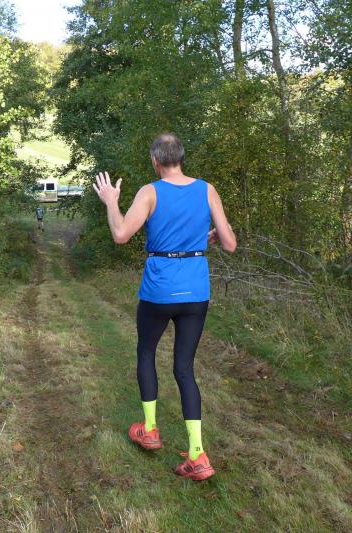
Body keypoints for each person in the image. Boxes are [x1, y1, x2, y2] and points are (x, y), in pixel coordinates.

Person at [92, 133, 236, 481]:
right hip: (196, 292)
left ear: (155, 160)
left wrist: (111, 201)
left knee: (146, 352)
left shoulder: (150, 192)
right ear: (181, 157)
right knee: (184, 368)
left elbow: (121, 235)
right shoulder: (207, 190)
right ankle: (198, 455)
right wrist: (205, 238)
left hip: (159, 291)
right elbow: (230, 243)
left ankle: (150, 430)